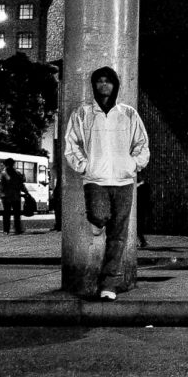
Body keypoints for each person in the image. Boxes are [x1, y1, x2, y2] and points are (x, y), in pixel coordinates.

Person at [63, 66, 151, 300]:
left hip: (123, 181)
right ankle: (98, 222)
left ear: (115, 86)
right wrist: (84, 166)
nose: (104, 85)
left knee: (118, 235)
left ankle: (108, 285)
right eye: (100, 81)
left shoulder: (128, 113)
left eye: (108, 81)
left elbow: (142, 143)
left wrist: (133, 165)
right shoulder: (82, 113)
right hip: (96, 179)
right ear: (94, 85)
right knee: (99, 215)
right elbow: (71, 144)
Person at [0, 157, 26, 235]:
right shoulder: (17, 173)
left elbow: (1, 186)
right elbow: (21, 185)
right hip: (15, 196)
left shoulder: (4, 174)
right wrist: (26, 192)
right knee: (16, 214)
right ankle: (17, 229)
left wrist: (1, 195)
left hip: (7, 197)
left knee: (7, 214)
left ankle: (6, 230)